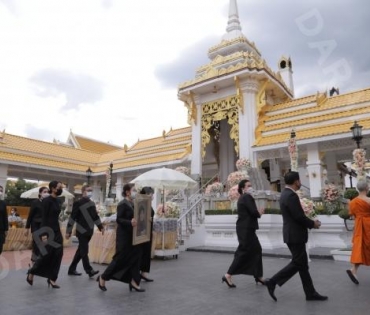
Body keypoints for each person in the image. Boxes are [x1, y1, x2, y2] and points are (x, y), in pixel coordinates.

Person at [265, 171, 327, 301]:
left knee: (302, 265)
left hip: (292, 234)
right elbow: (298, 216)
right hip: (295, 235)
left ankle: (310, 293)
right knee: (298, 263)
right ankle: (273, 281)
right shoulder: (291, 196)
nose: (300, 183)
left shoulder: (285, 194)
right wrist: (313, 223)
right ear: (296, 181)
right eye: (299, 180)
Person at [97, 184, 145, 292]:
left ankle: (134, 282)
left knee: (135, 258)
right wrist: (129, 222)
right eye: (134, 190)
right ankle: (103, 277)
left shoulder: (134, 203)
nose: (135, 192)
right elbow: (119, 219)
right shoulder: (122, 204)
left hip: (133, 236)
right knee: (119, 259)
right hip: (124, 237)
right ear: (127, 192)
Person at [222, 179, 265, 288]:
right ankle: (228, 275)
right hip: (246, 229)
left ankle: (258, 275)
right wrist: (259, 212)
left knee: (256, 250)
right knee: (243, 251)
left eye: (251, 185)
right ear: (243, 188)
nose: (251, 187)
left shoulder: (243, 197)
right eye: (248, 186)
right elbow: (253, 212)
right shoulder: (246, 197)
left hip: (246, 229)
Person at [27, 181, 64, 289]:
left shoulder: (58, 200)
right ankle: (31, 272)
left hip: (56, 230)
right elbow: (44, 218)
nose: (60, 188)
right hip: (48, 231)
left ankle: (52, 278)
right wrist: (43, 234)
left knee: (59, 254)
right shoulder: (46, 201)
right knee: (46, 255)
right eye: (59, 187)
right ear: (53, 188)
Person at [66, 184, 104, 277]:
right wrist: (68, 231)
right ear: (84, 192)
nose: (91, 191)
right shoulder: (78, 203)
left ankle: (72, 269)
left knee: (81, 251)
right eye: (89, 190)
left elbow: (95, 216)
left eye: (91, 190)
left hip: (89, 231)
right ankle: (89, 270)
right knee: (84, 250)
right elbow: (72, 217)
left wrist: (101, 227)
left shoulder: (92, 203)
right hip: (81, 230)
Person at [346, 179, 370, 285]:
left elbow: (352, 214)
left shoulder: (353, 202)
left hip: (359, 226)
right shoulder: (369, 200)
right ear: (367, 188)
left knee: (359, 247)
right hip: (368, 224)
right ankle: (353, 270)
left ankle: (354, 270)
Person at [25, 186, 49, 263]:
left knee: (44, 242)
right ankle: (34, 259)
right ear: (40, 193)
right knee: (36, 241)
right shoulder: (35, 202)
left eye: (47, 192)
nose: (46, 193)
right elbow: (30, 215)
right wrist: (27, 227)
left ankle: (40, 258)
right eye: (44, 192)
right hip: (35, 224)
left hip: (44, 225)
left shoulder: (48, 203)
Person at [139, 186, 155, 282]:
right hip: (143, 232)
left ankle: (144, 273)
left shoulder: (149, 204)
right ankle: (138, 273)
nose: (152, 195)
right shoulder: (142, 204)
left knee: (146, 253)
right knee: (142, 253)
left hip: (148, 231)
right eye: (151, 193)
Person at [0, 185, 8, 255]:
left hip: (1, 229)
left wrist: (6, 229)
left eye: (1, 191)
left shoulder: (3, 203)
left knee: (0, 247)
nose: (0, 192)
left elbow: (5, 216)